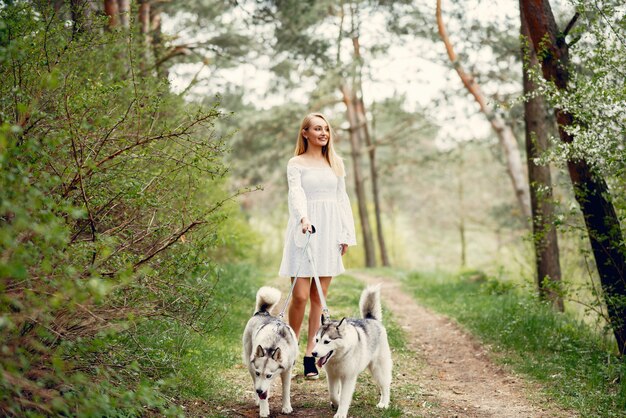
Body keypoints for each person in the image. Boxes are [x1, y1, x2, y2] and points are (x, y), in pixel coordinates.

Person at [278, 112, 357, 379]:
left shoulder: (336, 163)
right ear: (305, 133)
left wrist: (345, 233)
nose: (323, 133)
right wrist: (303, 216)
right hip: (305, 229)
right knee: (300, 296)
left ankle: (311, 354)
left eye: (326, 129)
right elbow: (296, 192)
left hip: (330, 231)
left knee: (317, 299)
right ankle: (288, 348)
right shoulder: (296, 163)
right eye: (317, 129)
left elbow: (342, 198)